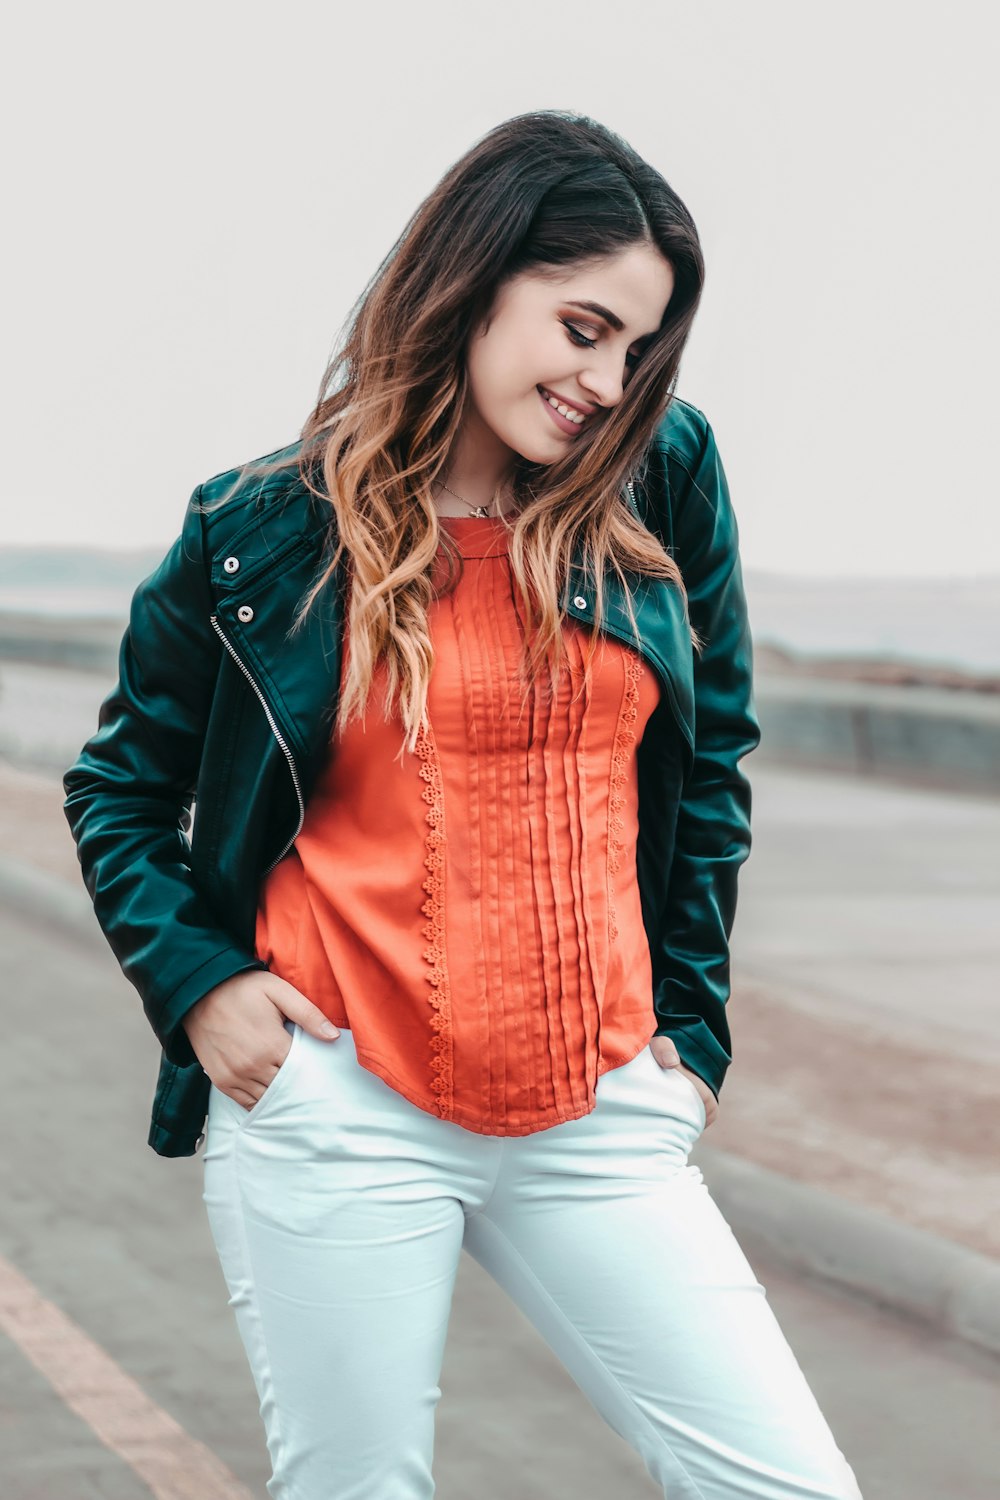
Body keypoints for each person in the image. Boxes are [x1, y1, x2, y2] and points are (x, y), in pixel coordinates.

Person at [63, 110, 863, 1499]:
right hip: (341, 1103)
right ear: (478, 276)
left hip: (603, 1101)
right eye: (582, 327)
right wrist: (202, 986)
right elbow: (120, 787)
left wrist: (691, 1035)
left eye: (637, 351)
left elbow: (710, 763)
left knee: (785, 1483)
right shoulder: (255, 528)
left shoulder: (661, 479)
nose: (607, 381)